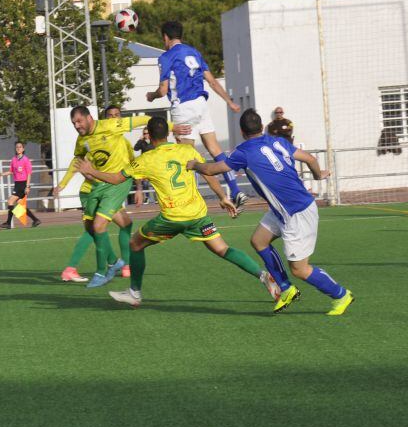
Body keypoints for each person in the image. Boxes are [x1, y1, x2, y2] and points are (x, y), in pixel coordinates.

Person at [77, 116, 279, 308]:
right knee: (222, 249)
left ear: (150, 135)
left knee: (135, 244)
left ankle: (134, 293)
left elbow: (116, 179)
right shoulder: (187, 151)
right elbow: (207, 172)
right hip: (198, 215)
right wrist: (223, 197)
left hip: (171, 218)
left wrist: (91, 171)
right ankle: (263, 276)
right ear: (167, 133)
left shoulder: (147, 159)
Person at [189, 109, 355, 316]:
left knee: (300, 269)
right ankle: (286, 289)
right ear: (262, 128)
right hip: (284, 209)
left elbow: (211, 170)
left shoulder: (243, 152)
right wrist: (318, 174)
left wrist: (194, 164)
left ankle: (341, 295)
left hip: (297, 213)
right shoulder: (278, 142)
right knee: (259, 241)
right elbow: (310, 158)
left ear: (242, 131)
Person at [51, 107, 185, 287]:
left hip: (113, 186)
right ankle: (112, 263)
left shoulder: (119, 137)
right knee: (95, 228)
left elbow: (141, 127)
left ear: (90, 118)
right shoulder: (83, 139)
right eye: (73, 123)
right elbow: (78, 161)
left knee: (99, 227)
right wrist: (62, 184)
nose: (76, 126)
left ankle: (110, 266)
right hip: (91, 189)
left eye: (79, 121)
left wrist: (169, 126)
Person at [145, 20, 249, 210]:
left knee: (186, 156)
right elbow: (212, 81)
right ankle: (235, 190)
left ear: (165, 37)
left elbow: (163, 89)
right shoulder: (194, 52)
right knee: (215, 149)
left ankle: (188, 201)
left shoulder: (166, 57)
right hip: (201, 105)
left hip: (183, 108)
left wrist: (151, 97)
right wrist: (230, 101)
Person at [0, 141, 41, 229]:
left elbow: (29, 173)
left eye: (20, 147)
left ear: (23, 149)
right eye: (17, 147)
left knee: (10, 201)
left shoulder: (26, 160)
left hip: (23, 184)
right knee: (20, 205)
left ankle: (8, 223)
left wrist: (27, 186)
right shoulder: (14, 159)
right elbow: (11, 171)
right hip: (17, 184)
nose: (18, 148)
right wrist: (2, 174)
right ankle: (35, 220)